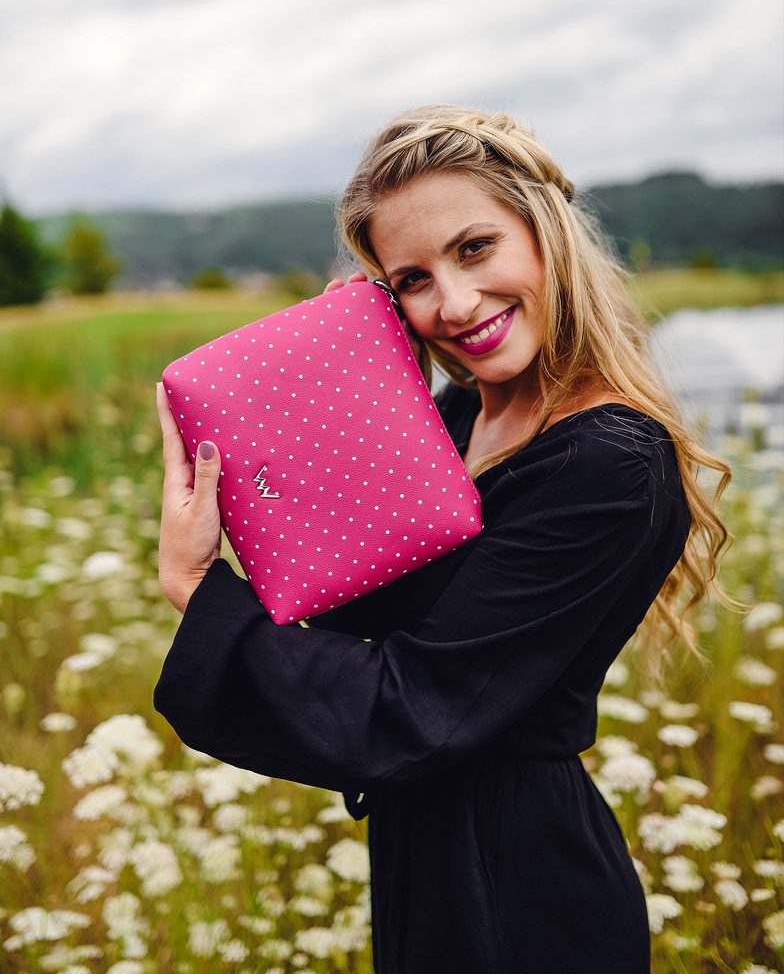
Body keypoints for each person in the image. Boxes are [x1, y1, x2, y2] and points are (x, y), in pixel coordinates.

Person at [153, 105, 732, 973]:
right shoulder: (461, 413)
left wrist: (199, 591)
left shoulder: (609, 464)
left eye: (475, 248)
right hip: (429, 858)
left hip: (518, 893)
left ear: (546, 233)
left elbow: (411, 709)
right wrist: (343, 380)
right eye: (414, 279)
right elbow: (363, 602)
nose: (455, 304)